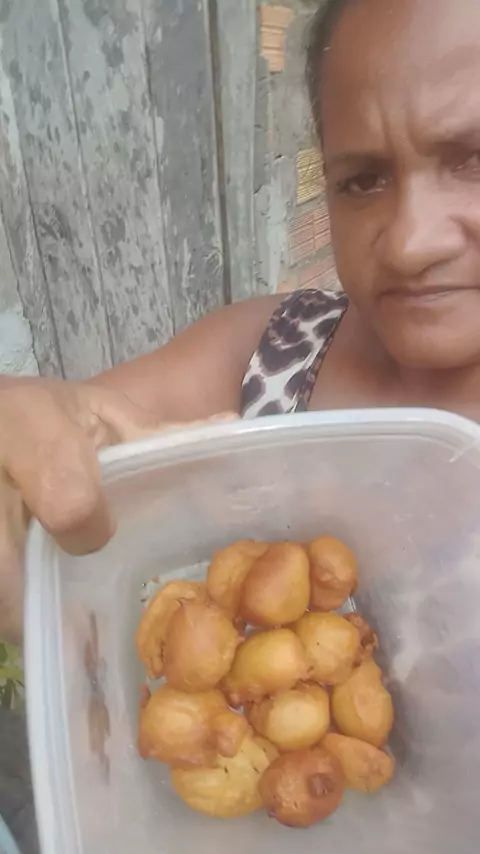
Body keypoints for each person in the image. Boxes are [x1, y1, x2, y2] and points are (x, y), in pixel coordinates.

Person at [2, 0, 480, 642]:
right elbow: (65, 434)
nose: (409, 244)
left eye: (474, 159)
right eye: (363, 180)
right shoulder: (271, 359)